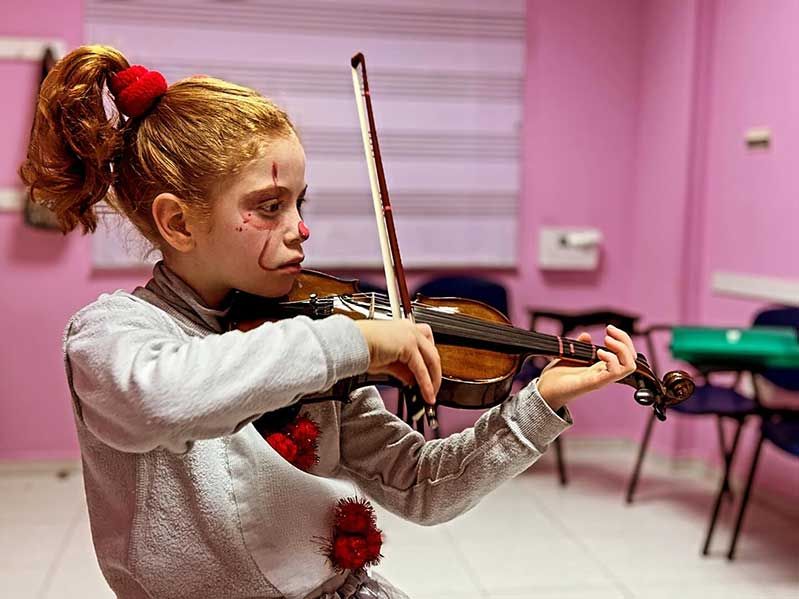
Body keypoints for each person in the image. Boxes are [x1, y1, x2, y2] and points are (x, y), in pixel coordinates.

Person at [20, 45, 638, 599]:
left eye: (300, 202)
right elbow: (162, 401)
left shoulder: (316, 339)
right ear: (179, 224)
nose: (301, 228)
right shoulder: (112, 335)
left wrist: (539, 405)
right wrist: (348, 341)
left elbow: (424, 485)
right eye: (269, 206)